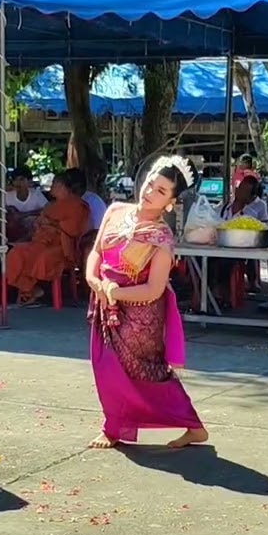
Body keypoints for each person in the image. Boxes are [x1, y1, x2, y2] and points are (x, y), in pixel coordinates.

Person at [86, 154, 207, 450]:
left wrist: (115, 293)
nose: (150, 192)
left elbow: (154, 289)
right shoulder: (115, 210)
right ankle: (113, 426)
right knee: (105, 368)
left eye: (161, 191)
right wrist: (93, 279)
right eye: (151, 183)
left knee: (146, 374)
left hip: (140, 316)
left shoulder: (161, 238)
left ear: (170, 202)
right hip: (105, 302)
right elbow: (97, 251)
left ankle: (193, 426)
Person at [5, 169, 90, 306]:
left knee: (43, 258)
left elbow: (73, 230)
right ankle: (31, 289)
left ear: (64, 187)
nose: (52, 187)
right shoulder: (51, 205)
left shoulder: (78, 206)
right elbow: (38, 223)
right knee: (16, 253)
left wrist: (51, 223)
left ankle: (34, 290)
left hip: (62, 247)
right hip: (40, 242)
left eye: (55, 184)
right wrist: (39, 224)